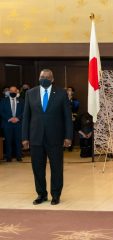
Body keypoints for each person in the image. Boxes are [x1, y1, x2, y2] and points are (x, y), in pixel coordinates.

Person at [22, 69, 73, 205]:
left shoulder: (62, 94)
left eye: (47, 77)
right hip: (35, 138)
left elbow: (67, 117)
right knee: (37, 168)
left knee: (56, 168)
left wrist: (68, 136)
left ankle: (56, 195)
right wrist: (24, 138)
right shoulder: (30, 93)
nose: (44, 78)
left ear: (52, 79)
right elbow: (26, 117)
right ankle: (41, 194)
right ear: (39, 77)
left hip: (55, 138)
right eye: (41, 76)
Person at [0, 86, 24, 162]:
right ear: (9, 92)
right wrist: (9, 118)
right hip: (7, 124)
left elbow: (24, 112)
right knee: (8, 141)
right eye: (11, 91)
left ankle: (19, 156)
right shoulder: (3, 101)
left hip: (18, 124)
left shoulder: (21, 101)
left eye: (14, 91)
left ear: (17, 92)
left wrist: (18, 118)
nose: (13, 92)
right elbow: (1, 111)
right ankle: (8, 157)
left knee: (18, 141)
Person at [66, 87, 80, 152]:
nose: (68, 91)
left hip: (72, 117)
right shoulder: (64, 99)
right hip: (64, 118)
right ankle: (63, 146)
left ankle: (70, 147)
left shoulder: (75, 100)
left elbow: (76, 109)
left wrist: (74, 116)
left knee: (71, 132)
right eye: (67, 90)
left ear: (72, 92)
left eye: (70, 90)